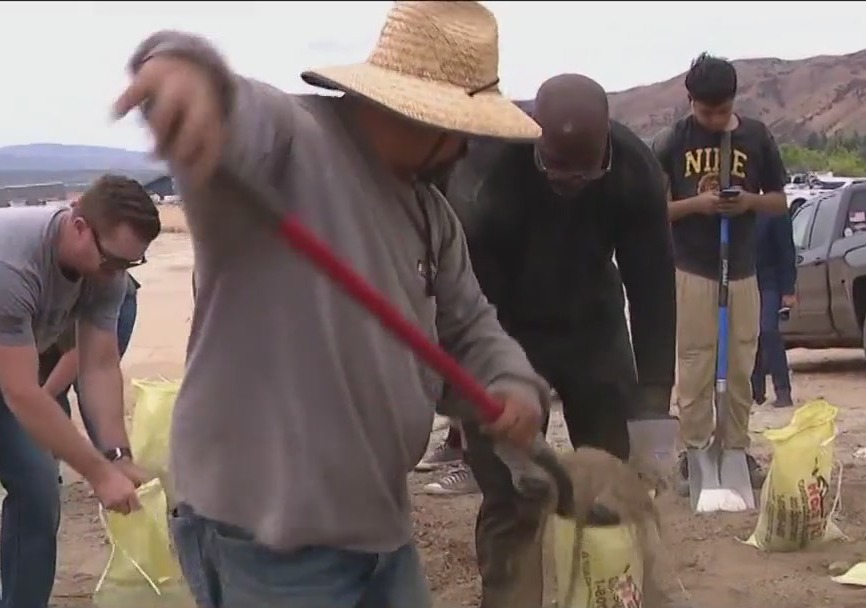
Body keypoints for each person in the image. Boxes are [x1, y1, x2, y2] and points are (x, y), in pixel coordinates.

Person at [112, 3, 549, 606]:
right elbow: (238, 112)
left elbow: (470, 324)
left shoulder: (430, 216)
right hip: (268, 539)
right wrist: (186, 72)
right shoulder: (291, 143)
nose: (469, 147)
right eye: (467, 129)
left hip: (379, 528)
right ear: (428, 117)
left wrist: (511, 383)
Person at [441, 73, 676, 608]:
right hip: (507, 330)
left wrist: (654, 406)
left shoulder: (635, 173)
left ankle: (609, 591)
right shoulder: (489, 171)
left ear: (607, 153)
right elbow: (468, 300)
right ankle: (510, 598)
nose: (568, 182)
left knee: (612, 481)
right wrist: (484, 395)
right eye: (555, 170)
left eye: (583, 173)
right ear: (535, 143)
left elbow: (653, 289)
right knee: (512, 492)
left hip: (594, 329)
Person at [0, 175, 159, 608]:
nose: (116, 275)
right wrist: (97, 473)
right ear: (78, 225)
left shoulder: (107, 270)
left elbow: (99, 366)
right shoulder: (12, 263)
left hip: (10, 375)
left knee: (38, 491)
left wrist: (116, 456)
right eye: (112, 261)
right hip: (11, 377)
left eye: (129, 265)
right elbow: (22, 392)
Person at [651, 53, 788, 488]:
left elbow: (780, 200)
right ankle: (696, 451)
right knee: (695, 364)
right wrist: (698, 205)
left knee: (741, 363)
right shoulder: (672, 141)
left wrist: (748, 202)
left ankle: (735, 450)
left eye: (722, 110)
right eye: (705, 110)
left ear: (735, 100)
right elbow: (653, 211)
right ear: (690, 99)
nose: (714, 118)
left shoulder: (757, 137)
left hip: (743, 269)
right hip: (693, 269)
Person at [43, 271, 141, 448]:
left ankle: (113, 461)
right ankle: (50, 467)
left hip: (101, 294)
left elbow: (77, 354)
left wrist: (40, 398)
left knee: (89, 387)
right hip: (42, 301)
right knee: (42, 385)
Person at [751, 210, 797, 407]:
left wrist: (788, 289)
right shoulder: (739, 212)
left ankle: (783, 390)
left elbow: (786, 251)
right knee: (749, 336)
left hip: (769, 283)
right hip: (745, 280)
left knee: (768, 331)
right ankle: (756, 392)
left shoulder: (773, 213)